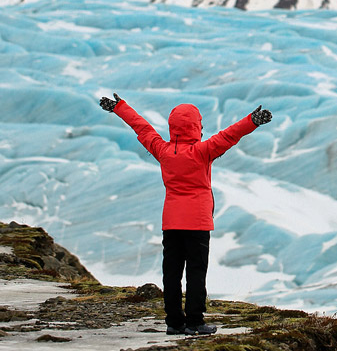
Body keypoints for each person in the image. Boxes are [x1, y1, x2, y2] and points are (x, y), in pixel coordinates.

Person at [99, 92, 272, 336]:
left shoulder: (163, 150)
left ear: (173, 128)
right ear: (196, 127)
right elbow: (229, 136)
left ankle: (174, 323)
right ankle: (194, 322)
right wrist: (253, 120)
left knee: (171, 273)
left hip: (171, 222)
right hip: (198, 222)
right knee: (196, 273)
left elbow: (142, 127)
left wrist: (119, 107)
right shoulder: (203, 151)